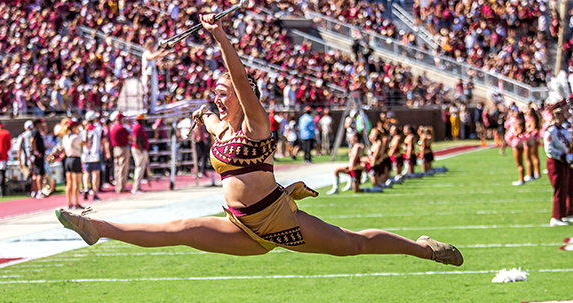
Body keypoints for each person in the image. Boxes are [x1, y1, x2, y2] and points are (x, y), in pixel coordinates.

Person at [56, 13, 463, 268]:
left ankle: (423, 248)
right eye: (215, 90)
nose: (218, 94)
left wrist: (221, 39)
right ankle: (98, 227)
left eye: (224, 89)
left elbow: (236, 78)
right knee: (177, 227)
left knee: (352, 245)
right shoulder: (223, 129)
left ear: (241, 91)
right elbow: (210, 120)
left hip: (278, 221)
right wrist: (199, 116)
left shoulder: (255, 124)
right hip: (240, 226)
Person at [543, 105, 572, 226]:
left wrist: (569, 154)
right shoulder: (550, 131)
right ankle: (556, 217)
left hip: (565, 161)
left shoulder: (564, 130)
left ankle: (568, 212)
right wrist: (562, 156)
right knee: (559, 188)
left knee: (569, 186)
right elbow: (549, 149)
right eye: (559, 115)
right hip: (555, 162)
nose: (562, 117)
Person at [81, 111, 104, 201]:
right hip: (95, 154)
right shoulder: (98, 129)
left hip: (86, 154)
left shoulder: (83, 130)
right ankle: (94, 192)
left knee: (86, 173)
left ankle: (86, 188)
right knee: (96, 174)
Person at [63, 119, 85, 209]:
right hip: (75, 159)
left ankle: (69, 203)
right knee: (76, 183)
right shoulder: (75, 137)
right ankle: (76, 203)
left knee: (69, 183)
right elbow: (85, 143)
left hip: (68, 159)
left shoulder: (65, 137)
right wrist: (85, 132)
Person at [110, 112, 130, 194]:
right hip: (122, 148)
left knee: (117, 168)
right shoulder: (121, 128)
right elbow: (130, 137)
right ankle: (121, 187)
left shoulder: (112, 127)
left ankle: (117, 186)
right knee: (123, 168)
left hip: (115, 148)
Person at [131, 114, 150, 194]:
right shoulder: (138, 127)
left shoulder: (139, 127)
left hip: (140, 149)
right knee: (139, 167)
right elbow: (137, 139)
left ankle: (138, 186)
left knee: (141, 168)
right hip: (138, 150)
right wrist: (141, 149)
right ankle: (136, 187)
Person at [31, 118, 47, 199]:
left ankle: (36, 190)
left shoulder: (38, 132)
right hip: (38, 156)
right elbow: (32, 141)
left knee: (39, 173)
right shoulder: (35, 132)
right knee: (39, 174)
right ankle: (39, 191)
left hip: (40, 155)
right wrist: (36, 151)